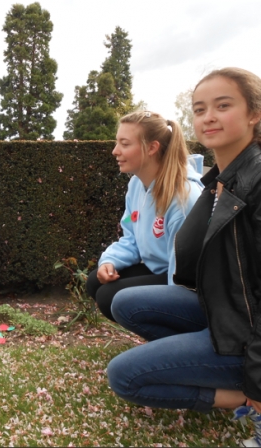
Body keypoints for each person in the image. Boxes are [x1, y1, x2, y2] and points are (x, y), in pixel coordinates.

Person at [106, 67, 261, 447]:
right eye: (199, 109)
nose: (208, 117)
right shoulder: (221, 181)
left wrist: (256, 376)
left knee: (124, 376)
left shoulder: (252, 184)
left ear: (254, 114)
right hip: (225, 314)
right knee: (125, 300)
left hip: (247, 336)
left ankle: (249, 399)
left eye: (223, 106)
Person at [86, 110, 204, 322]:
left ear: (152, 148)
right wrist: (110, 261)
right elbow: (131, 237)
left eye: (125, 143)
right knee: (96, 281)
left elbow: (185, 274)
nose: (115, 151)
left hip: (184, 283)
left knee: (109, 297)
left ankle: (172, 340)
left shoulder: (184, 198)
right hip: (159, 269)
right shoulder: (136, 185)